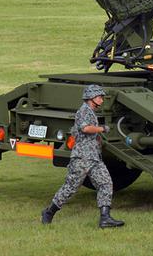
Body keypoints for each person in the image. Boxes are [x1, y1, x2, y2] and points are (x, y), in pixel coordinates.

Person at [41, 84, 124, 228]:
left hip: (94, 158)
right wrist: (101, 128)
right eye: (99, 97)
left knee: (105, 183)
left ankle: (105, 218)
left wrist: (98, 138)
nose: (102, 100)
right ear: (91, 98)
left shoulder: (91, 112)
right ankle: (49, 212)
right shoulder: (84, 111)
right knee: (71, 187)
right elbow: (85, 128)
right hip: (82, 158)